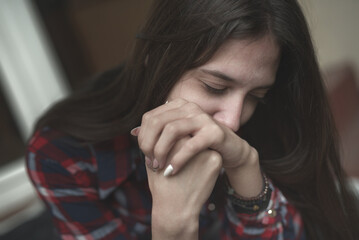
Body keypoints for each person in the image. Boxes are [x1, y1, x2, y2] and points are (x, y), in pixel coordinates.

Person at [26, 0, 359, 239]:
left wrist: (245, 167)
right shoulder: (61, 156)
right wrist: (173, 226)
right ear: (155, 61)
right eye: (215, 87)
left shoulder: (269, 120)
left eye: (256, 96)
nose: (232, 121)